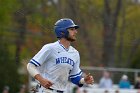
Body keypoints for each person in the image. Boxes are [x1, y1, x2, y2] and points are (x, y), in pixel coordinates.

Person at [27, 18, 94, 93]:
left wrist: (84, 80)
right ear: (62, 32)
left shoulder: (75, 53)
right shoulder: (50, 48)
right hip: (44, 90)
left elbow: (75, 77)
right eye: (72, 29)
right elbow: (30, 66)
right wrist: (41, 80)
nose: (75, 31)